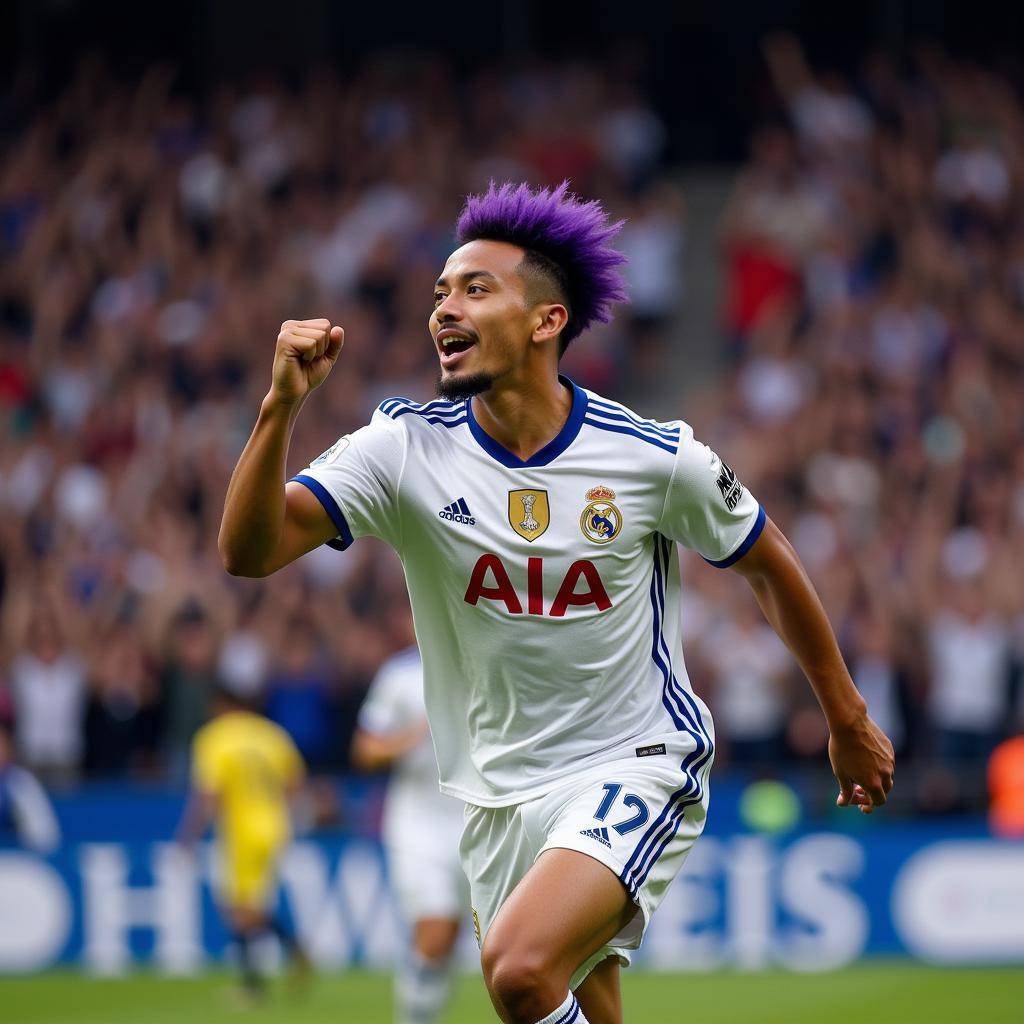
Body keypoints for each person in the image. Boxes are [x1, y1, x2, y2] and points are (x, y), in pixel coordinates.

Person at [219, 180, 895, 1024]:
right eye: (439, 293)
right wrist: (280, 406)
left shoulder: (652, 457)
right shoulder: (402, 450)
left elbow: (769, 560)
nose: (444, 309)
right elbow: (248, 554)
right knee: (576, 1003)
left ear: (546, 321)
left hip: (635, 758)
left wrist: (845, 716)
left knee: (518, 970)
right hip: (496, 791)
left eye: (474, 288)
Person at [351, 618, 469, 1024]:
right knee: (435, 932)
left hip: (478, 821)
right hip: (418, 824)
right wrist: (417, 732)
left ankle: (423, 1009)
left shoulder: (487, 659)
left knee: (455, 939)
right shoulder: (400, 675)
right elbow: (366, 750)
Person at [176, 685, 309, 1000]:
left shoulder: (215, 737)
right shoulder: (271, 735)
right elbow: (294, 784)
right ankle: (278, 964)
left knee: (241, 909)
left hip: (241, 831)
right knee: (245, 906)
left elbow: (209, 793)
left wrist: (189, 835)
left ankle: (268, 973)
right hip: (275, 827)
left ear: (220, 705)